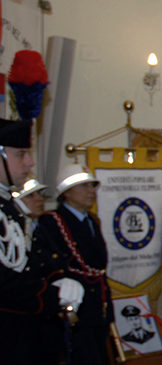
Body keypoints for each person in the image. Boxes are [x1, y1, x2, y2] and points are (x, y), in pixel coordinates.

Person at [0, 120, 82, 365]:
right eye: (21, 154)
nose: (30, 162)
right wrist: (50, 294)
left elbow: (28, 263)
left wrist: (56, 279)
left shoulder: (10, 206)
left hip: (21, 336)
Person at [38, 163, 113, 365]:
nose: (91, 191)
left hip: (98, 306)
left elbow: (99, 263)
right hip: (76, 308)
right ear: (67, 193)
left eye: (92, 186)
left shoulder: (92, 220)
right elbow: (55, 265)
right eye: (84, 186)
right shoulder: (53, 222)